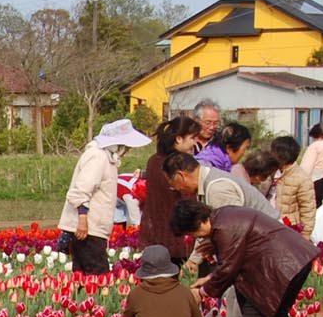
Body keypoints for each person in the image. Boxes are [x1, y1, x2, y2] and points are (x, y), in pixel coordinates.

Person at [171, 199, 317, 317]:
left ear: (197, 223)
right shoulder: (225, 215)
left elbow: (228, 269)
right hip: (295, 260)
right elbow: (235, 260)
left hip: (279, 265)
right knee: (276, 316)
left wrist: (201, 293)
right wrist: (210, 278)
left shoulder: (224, 228)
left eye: (192, 233)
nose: (195, 238)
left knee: (254, 315)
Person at [58, 118, 149, 275]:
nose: (128, 150)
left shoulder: (107, 159)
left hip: (95, 229)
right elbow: (81, 190)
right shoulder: (97, 157)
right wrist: (82, 219)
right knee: (97, 275)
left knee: (85, 277)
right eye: (126, 146)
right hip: (88, 229)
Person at [138, 115, 202, 259]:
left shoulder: (153, 160)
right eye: (192, 138)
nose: (195, 143)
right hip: (176, 236)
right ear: (179, 138)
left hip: (154, 235)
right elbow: (188, 198)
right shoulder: (177, 164)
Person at [269, 136, 315, 230]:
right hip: (268, 223)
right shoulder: (270, 171)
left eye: (273, 152)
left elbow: (308, 209)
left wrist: (306, 233)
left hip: (288, 228)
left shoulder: (302, 178)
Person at [191, 100, 231, 170]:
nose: (212, 127)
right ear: (196, 121)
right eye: (208, 123)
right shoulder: (186, 141)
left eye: (215, 123)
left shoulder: (221, 143)